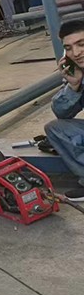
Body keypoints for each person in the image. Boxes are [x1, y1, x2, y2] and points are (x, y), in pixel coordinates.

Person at [44, 19, 84, 202]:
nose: (76, 53)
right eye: (68, 48)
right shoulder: (78, 73)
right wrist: (73, 86)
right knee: (56, 128)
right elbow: (61, 113)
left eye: (81, 44)